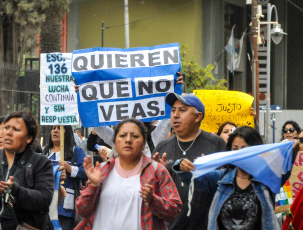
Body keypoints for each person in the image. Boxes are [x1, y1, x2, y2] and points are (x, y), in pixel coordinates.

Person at [175, 126, 297, 230]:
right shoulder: (220, 178)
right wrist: (181, 165)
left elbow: (286, 165)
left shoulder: (268, 178)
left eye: (244, 149)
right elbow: (191, 178)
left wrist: (294, 149)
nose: (239, 153)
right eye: (235, 149)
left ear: (255, 150)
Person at [75, 118, 182, 230]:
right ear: (114, 142)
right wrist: (93, 186)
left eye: (135, 136)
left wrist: (153, 200)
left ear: (144, 143)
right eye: (123, 136)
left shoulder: (157, 170)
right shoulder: (101, 171)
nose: (128, 140)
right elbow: (82, 210)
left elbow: (174, 211)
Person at [152, 92, 226, 230]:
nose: (175, 115)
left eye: (182, 110)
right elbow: (152, 191)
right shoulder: (162, 147)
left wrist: (208, 172)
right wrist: (159, 173)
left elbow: (228, 183)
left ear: (198, 116)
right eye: (173, 110)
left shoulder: (216, 144)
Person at [43, 125, 87, 230]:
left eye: (59, 128)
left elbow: (85, 172)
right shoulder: (44, 152)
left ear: (67, 132)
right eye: (53, 128)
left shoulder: (76, 151)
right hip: (45, 207)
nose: (55, 131)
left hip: (65, 210)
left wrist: (69, 168)